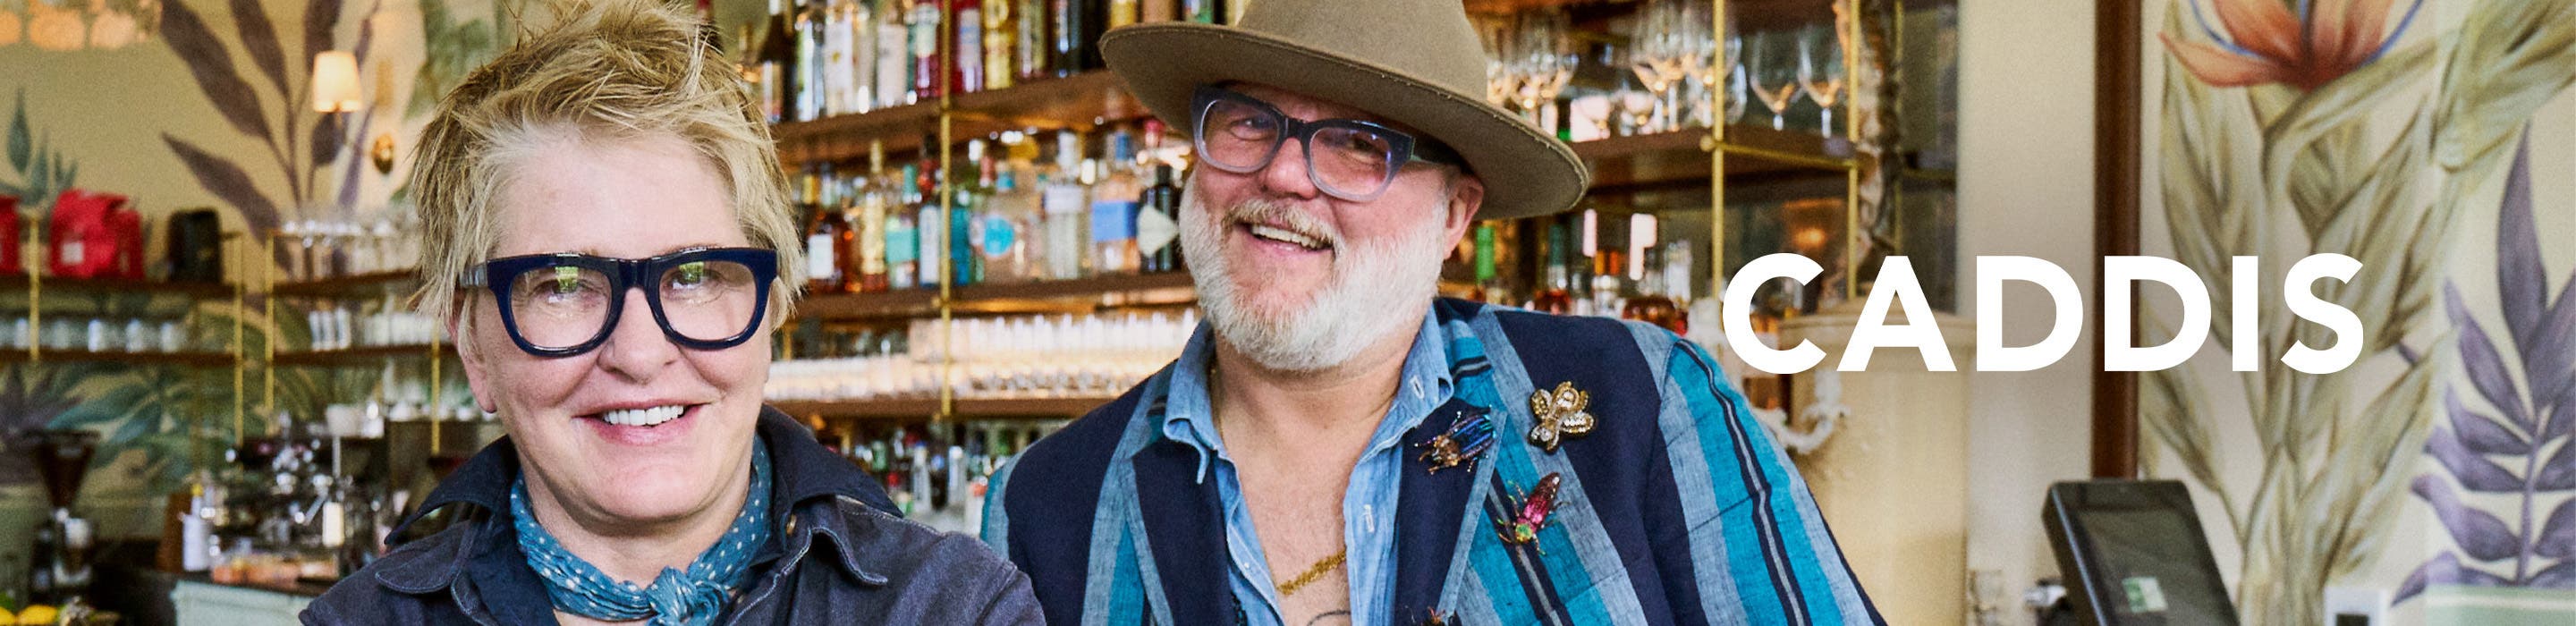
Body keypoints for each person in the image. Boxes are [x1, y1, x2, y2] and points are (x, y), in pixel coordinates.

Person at [980, 0, 1884, 624]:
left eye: (1360, 143)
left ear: (1455, 214)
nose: (1286, 175)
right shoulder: (1044, 504)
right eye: (1249, 121)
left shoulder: (1642, 406)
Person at [305, 1, 1041, 623]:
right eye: (562, 285)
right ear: (472, 343)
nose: (639, 352)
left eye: (693, 275)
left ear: (775, 304)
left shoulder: (952, 606)